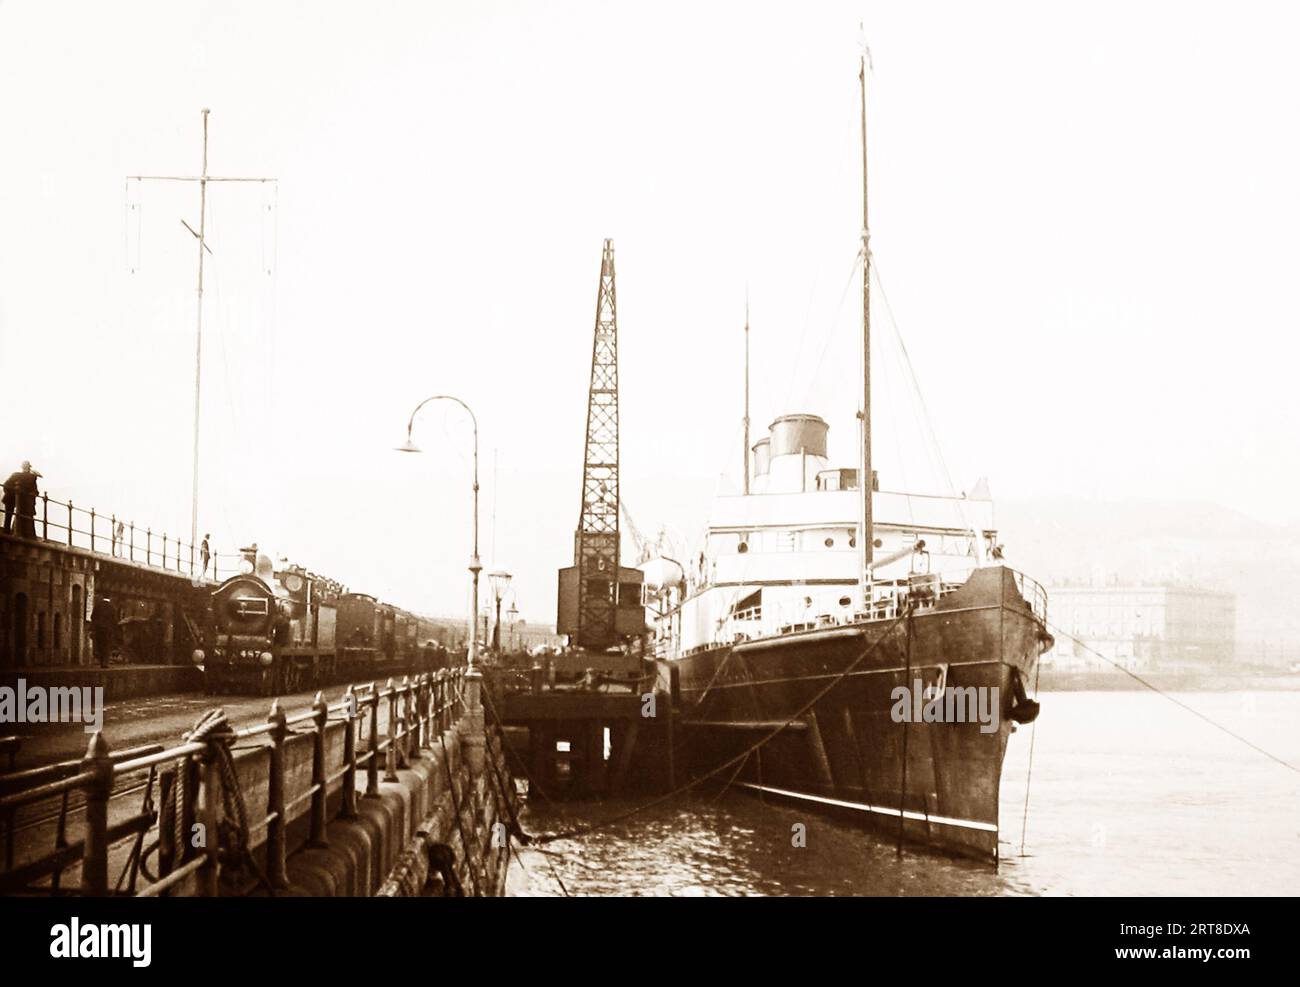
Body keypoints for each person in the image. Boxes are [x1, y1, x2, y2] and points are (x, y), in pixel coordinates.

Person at [3, 462, 41, 537]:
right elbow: (6, 485)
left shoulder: (18, 475)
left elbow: (6, 485)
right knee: (10, 514)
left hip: (19, 499)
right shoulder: (29, 477)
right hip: (13, 497)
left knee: (12, 515)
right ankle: (8, 531)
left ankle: (9, 531)